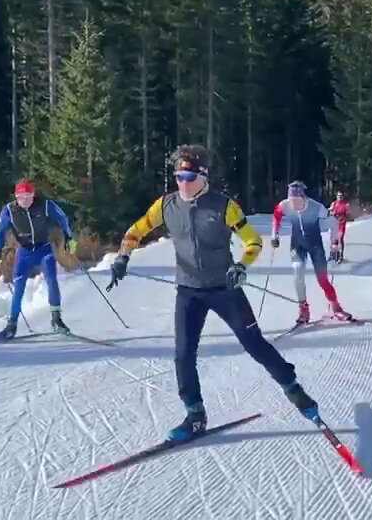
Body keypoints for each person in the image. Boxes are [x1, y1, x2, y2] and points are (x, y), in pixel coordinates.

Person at [106, 145, 321, 442]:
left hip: (225, 288)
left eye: (189, 176)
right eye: (179, 176)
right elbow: (136, 230)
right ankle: (195, 415)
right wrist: (123, 256)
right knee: (183, 355)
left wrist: (242, 266)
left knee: (254, 344)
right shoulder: (165, 205)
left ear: (203, 177)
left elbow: (252, 241)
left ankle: (296, 392)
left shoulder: (223, 206)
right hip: (189, 291)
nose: (183, 182)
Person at [0, 179, 77, 338]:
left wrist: (69, 238)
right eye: (21, 197)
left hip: (44, 248)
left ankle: (56, 319)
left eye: (28, 197)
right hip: (24, 251)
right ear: (16, 196)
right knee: (19, 285)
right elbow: (0, 231)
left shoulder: (45, 205)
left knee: (51, 279)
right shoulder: (9, 210)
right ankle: (12, 325)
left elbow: (62, 218)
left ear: (33, 195)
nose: (25, 201)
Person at [272, 181, 353, 325]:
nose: (294, 204)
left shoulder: (316, 207)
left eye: (297, 200)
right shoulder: (284, 205)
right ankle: (303, 309)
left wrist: (335, 242)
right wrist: (274, 235)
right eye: (291, 200)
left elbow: (333, 221)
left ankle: (336, 307)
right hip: (297, 245)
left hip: (315, 245)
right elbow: (276, 216)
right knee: (298, 274)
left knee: (322, 279)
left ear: (304, 198)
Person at [328, 191, 350, 263]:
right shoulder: (334, 203)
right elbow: (330, 211)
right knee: (333, 239)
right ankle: (333, 254)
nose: (339, 197)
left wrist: (344, 217)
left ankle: (340, 255)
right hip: (334, 224)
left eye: (341, 196)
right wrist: (332, 213)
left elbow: (348, 214)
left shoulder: (346, 205)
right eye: (338, 196)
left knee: (340, 238)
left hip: (341, 224)